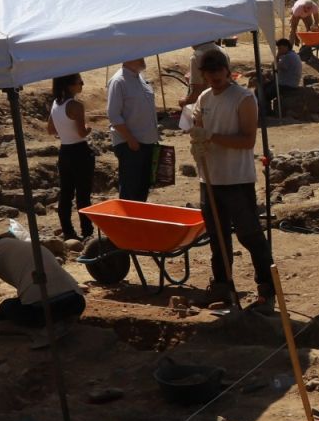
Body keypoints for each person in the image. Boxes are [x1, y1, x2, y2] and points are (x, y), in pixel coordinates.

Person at [181, 49, 276, 314]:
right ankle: (223, 287)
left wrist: (211, 136)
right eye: (209, 72)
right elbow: (198, 127)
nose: (214, 76)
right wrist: (197, 139)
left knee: (250, 235)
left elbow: (247, 140)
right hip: (210, 178)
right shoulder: (204, 97)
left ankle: (267, 291)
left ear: (227, 70)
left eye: (218, 71)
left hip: (236, 179)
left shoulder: (243, 98)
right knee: (217, 237)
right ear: (203, 74)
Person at [45, 73, 94, 241]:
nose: (82, 84)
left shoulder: (56, 103)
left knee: (66, 193)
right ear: (70, 85)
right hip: (80, 151)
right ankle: (87, 231)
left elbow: (50, 130)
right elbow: (82, 133)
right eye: (80, 82)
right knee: (83, 195)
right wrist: (88, 127)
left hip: (64, 150)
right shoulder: (76, 106)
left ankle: (68, 230)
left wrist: (65, 130)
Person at [106, 58, 158, 202]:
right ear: (127, 58)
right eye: (138, 57)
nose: (143, 59)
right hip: (130, 144)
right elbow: (113, 115)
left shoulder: (140, 78)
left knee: (142, 189)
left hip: (147, 142)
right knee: (130, 191)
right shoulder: (118, 81)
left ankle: (138, 216)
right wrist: (130, 139)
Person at [259, 37, 303, 117]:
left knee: (263, 93)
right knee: (263, 87)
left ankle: (267, 113)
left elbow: (275, 66)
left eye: (280, 48)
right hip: (287, 82)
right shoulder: (292, 55)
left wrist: (277, 55)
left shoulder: (288, 57)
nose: (279, 50)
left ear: (286, 47)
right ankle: (267, 111)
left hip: (286, 85)